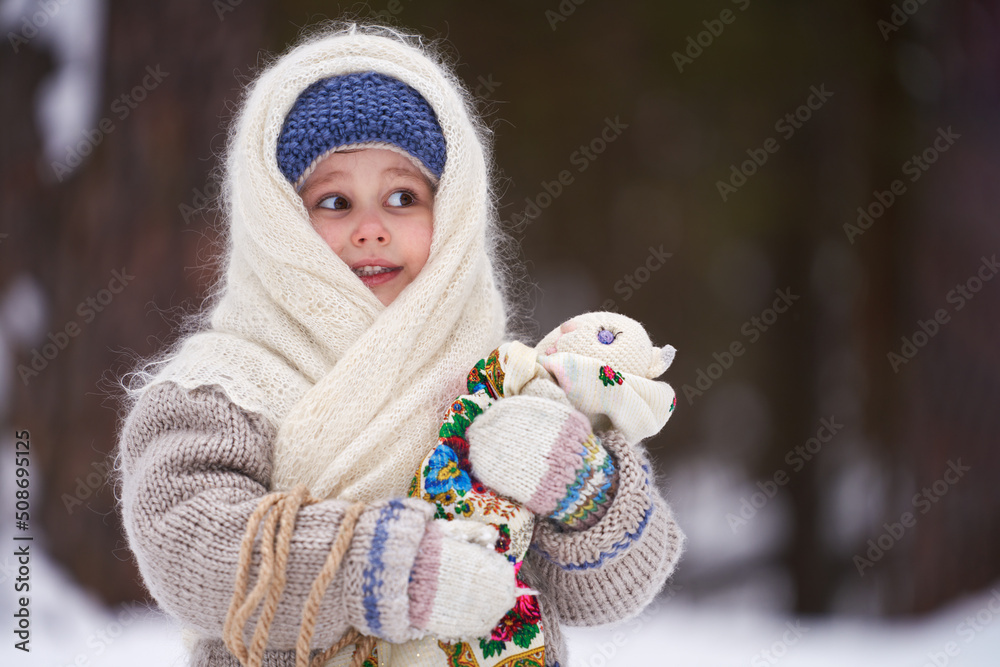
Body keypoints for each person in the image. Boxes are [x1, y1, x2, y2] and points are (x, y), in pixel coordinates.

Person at [116, 23, 684, 667]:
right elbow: (190, 543)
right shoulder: (219, 387)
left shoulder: (502, 381)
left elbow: (619, 585)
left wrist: (578, 483)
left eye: (402, 197)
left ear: (454, 211)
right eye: (334, 201)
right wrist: (387, 568)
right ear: (276, 221)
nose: (371, 230)